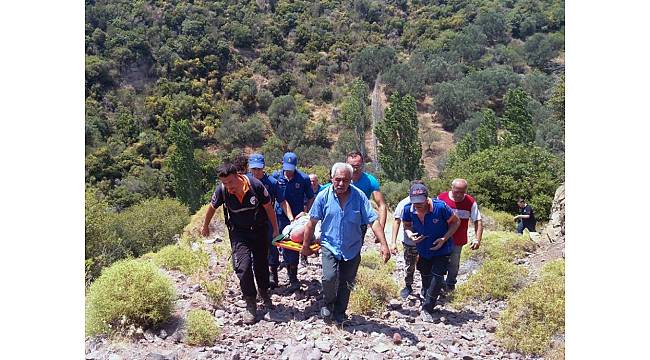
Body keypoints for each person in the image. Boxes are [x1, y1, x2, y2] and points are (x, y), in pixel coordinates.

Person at [301, 162, 391, 324]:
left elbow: (374, 221)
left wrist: (384, 244)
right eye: (338, 180)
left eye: (345, 180)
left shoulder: (359, 197)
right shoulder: (323, 196)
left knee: (347, 282)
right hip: (329, 244)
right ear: (331, 178)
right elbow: (311, 223)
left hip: (352, 246)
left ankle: (340, 313)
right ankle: (328, 303)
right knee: (329, 277)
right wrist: (305, 246)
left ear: (351, 180)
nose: (341, 184)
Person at [201, 163, 280, 324]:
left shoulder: (255, 185)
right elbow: (211, 208)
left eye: (230, 182)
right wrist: (205, 226)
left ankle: (264, 293)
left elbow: (268, 208)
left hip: (258, 230)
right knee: (242, 267)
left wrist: (276, 229)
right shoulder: (222, 191)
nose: (228, 186)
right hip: (238, 233)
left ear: (237, 175)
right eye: (224, 183)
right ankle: (250, 302)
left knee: (261, 264)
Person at [402, 183, 460, 322]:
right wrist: (411, 235)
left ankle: (428, 308)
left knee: (437, 277)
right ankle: (427, 294)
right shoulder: (408, 209)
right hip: (423, 249)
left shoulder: (440, 207)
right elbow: (407, 225)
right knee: (425, 274)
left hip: (442, 248)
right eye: (415, 203)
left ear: (427, 198)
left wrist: (444, 238)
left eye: (420, 203)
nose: (417, 206)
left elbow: (455, 222)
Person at [272, 152, 315, 291]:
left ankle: (293, 277)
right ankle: (273, 275)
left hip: (297, 218)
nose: (288, 171)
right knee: (278, 242)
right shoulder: (276, 177)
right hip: (279, 216)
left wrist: (306, 213)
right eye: (286, 167)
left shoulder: (303, 179)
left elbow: (310, 197)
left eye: (291, 168)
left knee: (294, 246)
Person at [437, 179, 483, 292]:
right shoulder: (441, 198)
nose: (458, 195)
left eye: (462, 192)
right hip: (441, 238)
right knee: (439, 262)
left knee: (454, 264)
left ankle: (450, 284)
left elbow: (478, 221)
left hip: (458, 240)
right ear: (451, 188)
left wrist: (477, 239)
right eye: (456, 191)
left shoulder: (470, 202)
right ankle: (439, 284)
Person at [247, 153, 282, 289]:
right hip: (251, 221)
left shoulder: (272, 182)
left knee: (272, 246)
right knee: (255, 248)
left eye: (259, 169)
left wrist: (291, 217)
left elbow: (281, 201)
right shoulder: (245, 180)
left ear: (263, 168)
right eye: (254, 169)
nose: (256, 172)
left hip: (268, 219)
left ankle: (273, 273)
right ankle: (260, 275)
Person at [390, 180, 425, 299]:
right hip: (409, 242)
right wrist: (393, 242)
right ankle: (408, 285)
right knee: (409, 265)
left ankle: (426, 287)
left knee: (426, 264)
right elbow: (397, 222)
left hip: (427, 241)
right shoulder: (403, 204)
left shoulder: (431, 203)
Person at [346, 151, 388, 239]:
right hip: (340, 221)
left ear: (362, 164)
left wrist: (380, 228)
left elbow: (382, 205)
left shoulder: (370, 181)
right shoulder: (340, 180)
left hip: (360, 224)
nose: (354, 169)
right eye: (351, 166)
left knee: (354, 252)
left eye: (357, 166)